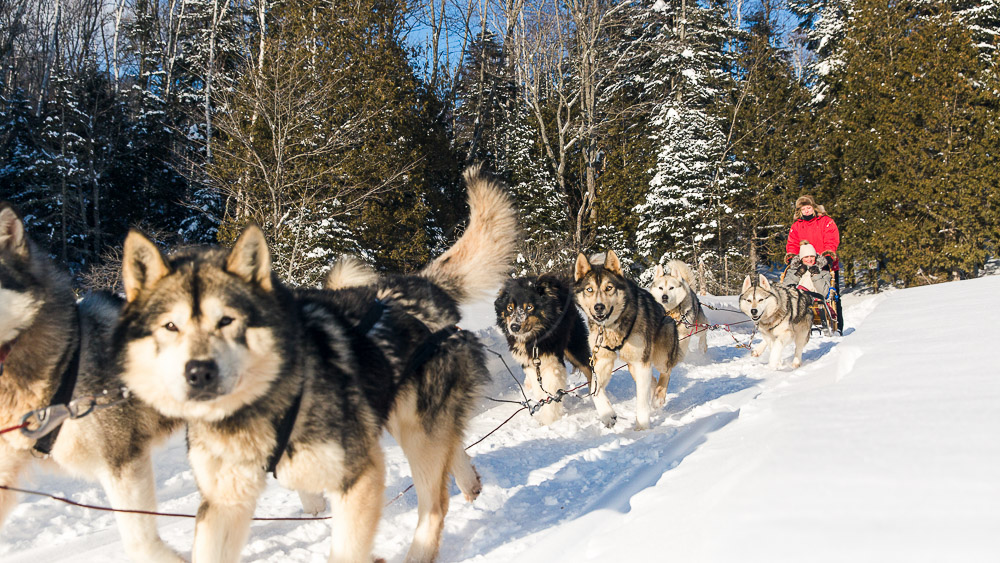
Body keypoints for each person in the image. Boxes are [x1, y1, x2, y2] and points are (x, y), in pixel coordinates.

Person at [785, 195, 843, 333]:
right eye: (803, 209)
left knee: (833, 295)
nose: (806, 211)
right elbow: (792, 244)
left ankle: (838, 326)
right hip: (803, 264)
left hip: (824, 265)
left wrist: (827, 257)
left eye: (808, 208)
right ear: (799, 211)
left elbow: (831, 240)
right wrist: (793, 258)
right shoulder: (797, 226)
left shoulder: (826, 221)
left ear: (814, 208)